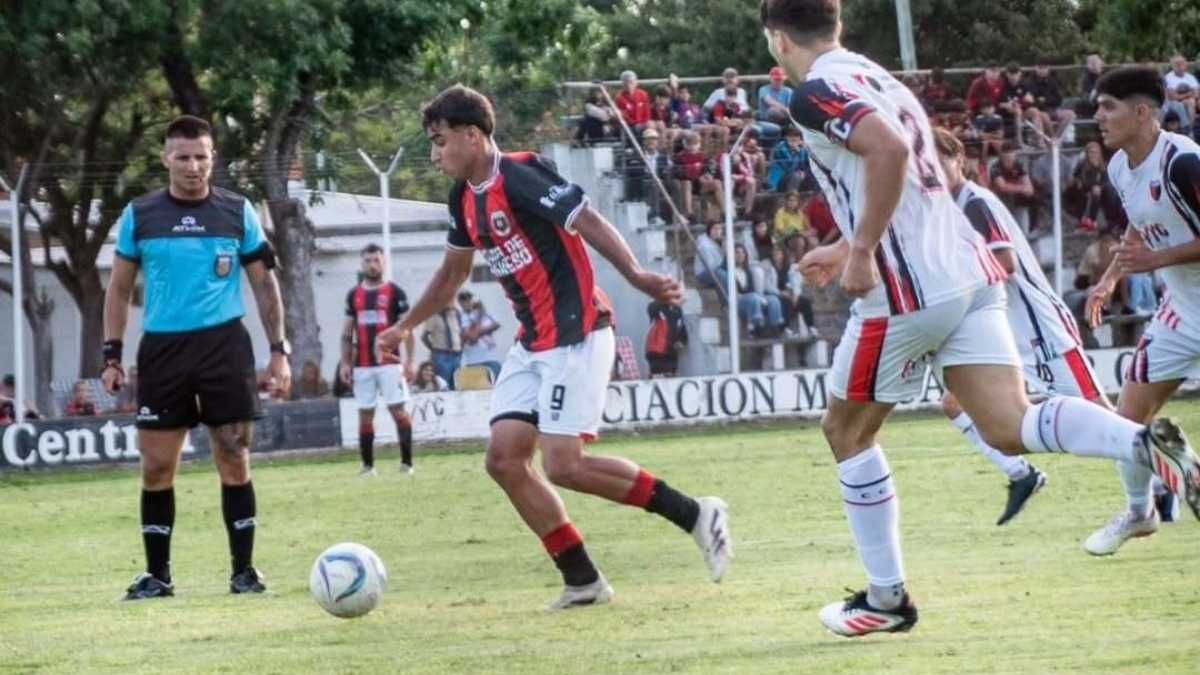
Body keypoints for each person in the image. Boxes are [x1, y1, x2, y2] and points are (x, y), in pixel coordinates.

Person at [761, 0, 1199, 637]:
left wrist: (860, 249)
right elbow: (914, 175)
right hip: (968, 275)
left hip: (908, 288)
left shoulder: (815, 92)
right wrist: (853, 238)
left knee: (846, 431)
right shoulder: (879, 78)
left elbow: (886, 153)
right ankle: (1142, 441)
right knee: (1008, 424)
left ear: (778, 40)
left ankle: (886, 601)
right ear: (839, 28)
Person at [376, 84, 732, 610]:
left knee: (564, 464)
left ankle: (697, 514)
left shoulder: (520, 175)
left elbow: (586, 218)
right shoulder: (463, 197)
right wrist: (404, 326)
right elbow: (452, 274)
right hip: (533, 343)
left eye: (439, 140)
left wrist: (635, 274)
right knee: (504, 459)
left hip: (578, 334)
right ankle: (583, 579)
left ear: (472, 136)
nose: (434, 154)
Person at [102, 115, 290, 600]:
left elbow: (265, 284)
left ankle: (243, 572)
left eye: (201, 156)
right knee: (157, 467)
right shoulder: (140, 215)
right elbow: (119, 289)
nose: (192, 166)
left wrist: (278, 351)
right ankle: (158, 577)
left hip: (224, 347)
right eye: (182, 157)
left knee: (234, 455)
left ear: (213, 158)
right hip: (164, 351)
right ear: (165, 158)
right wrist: (112, 354)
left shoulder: (237, 211)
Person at [934, 127, 1123, 526]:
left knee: (1104, 419)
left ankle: (1164, 485)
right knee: (954, 404)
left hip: (1040, 330)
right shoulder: (946, 212)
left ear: (960, 161)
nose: (932, 169)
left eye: (940, 159)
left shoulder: (975, 203)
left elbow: (1004, 264)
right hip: (1003, 334)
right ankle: (1022, 474)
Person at [1083, 66, 1200, 553]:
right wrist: (1111, 277)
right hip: (1184, 311)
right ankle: (1140, 512)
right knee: (1127, 421)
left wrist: (1156, 260)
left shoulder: (1184, 163)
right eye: (1097, 107)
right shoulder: (1117, 167)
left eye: (1108, 107)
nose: (1098, 117)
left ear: (1143, 112)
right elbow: (1140, 222)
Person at [339, 243, 416, 476]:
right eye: (368, 261)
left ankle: (407, 463)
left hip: (390, 364)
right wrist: (345, 362)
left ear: (384, 263)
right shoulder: (354, 295)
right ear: (361, 264)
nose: (372, 265)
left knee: (398, 411)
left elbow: (408, 329)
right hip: (362, 365)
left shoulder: (396, 293)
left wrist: (410, 361)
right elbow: (347, 331)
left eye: (376, 260)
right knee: (365, 413)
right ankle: (367, 466)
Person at [458, 289, 503, 380]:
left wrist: (479, 331)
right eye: (464, 300)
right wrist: (480, 322)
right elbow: (471, 338)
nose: (467, 302)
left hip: (491, 358)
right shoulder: (460, 318)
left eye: (469, 299)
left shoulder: (484, 313)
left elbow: (496, 325)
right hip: (473, 361)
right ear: (460, 303)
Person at [421, 301, 463, 389]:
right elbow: (424, 337)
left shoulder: (456, 315)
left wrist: (460, 350)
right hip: (442, 356)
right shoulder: (433, 315)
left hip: (456, 356)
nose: (453, 303)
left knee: (457, 386)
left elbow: (459, 334)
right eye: (449, 300)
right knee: (443, 385)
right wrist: (434, 350)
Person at [645, 300, 688, 377]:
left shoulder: (677, 309)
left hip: (671, 350)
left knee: (671, 375)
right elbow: (651, 309)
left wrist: (682, 340)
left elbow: (681, 325)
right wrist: (662, 298)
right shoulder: (657, 307)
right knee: (657, 374)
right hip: (656, 349)